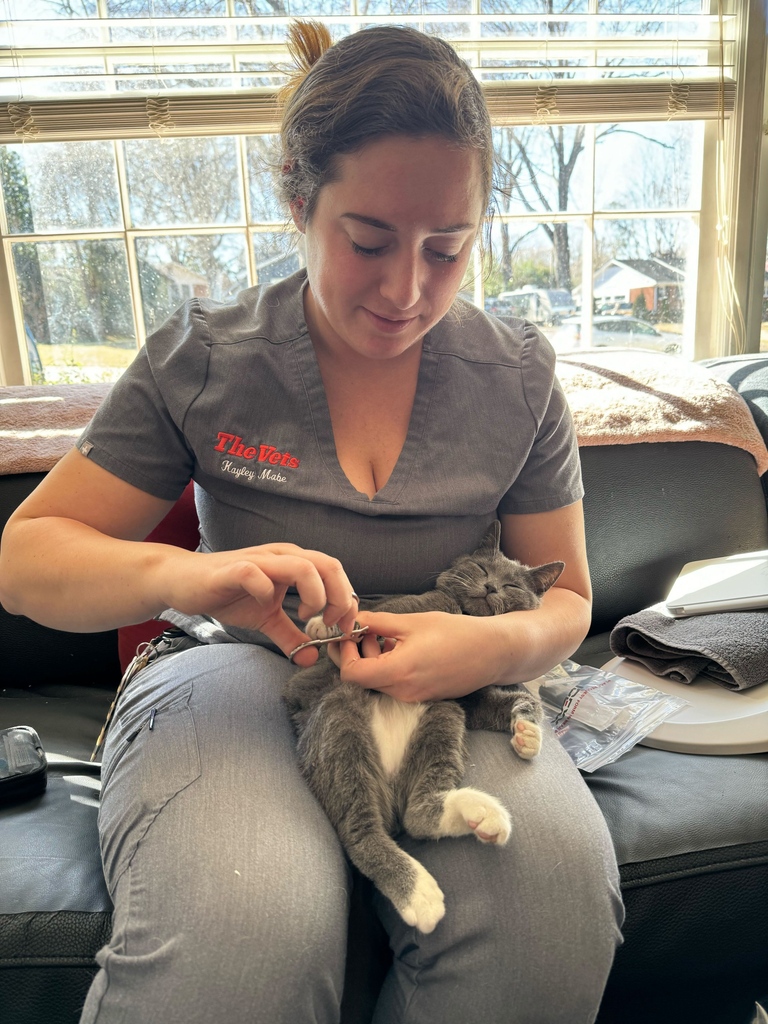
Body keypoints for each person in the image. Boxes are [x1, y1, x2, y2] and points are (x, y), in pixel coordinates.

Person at [0, 22, 623, 1024]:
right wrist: (185, 577)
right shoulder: (209, 358)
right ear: (298, 198)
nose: (406, 290)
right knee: (248, 923)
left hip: (454, 692)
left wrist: (482, 646)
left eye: (448, 249)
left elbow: (570, 596)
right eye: (368, 239)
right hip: (238, 668)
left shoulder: (517, 376)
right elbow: (26, 559)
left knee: (549, 914)